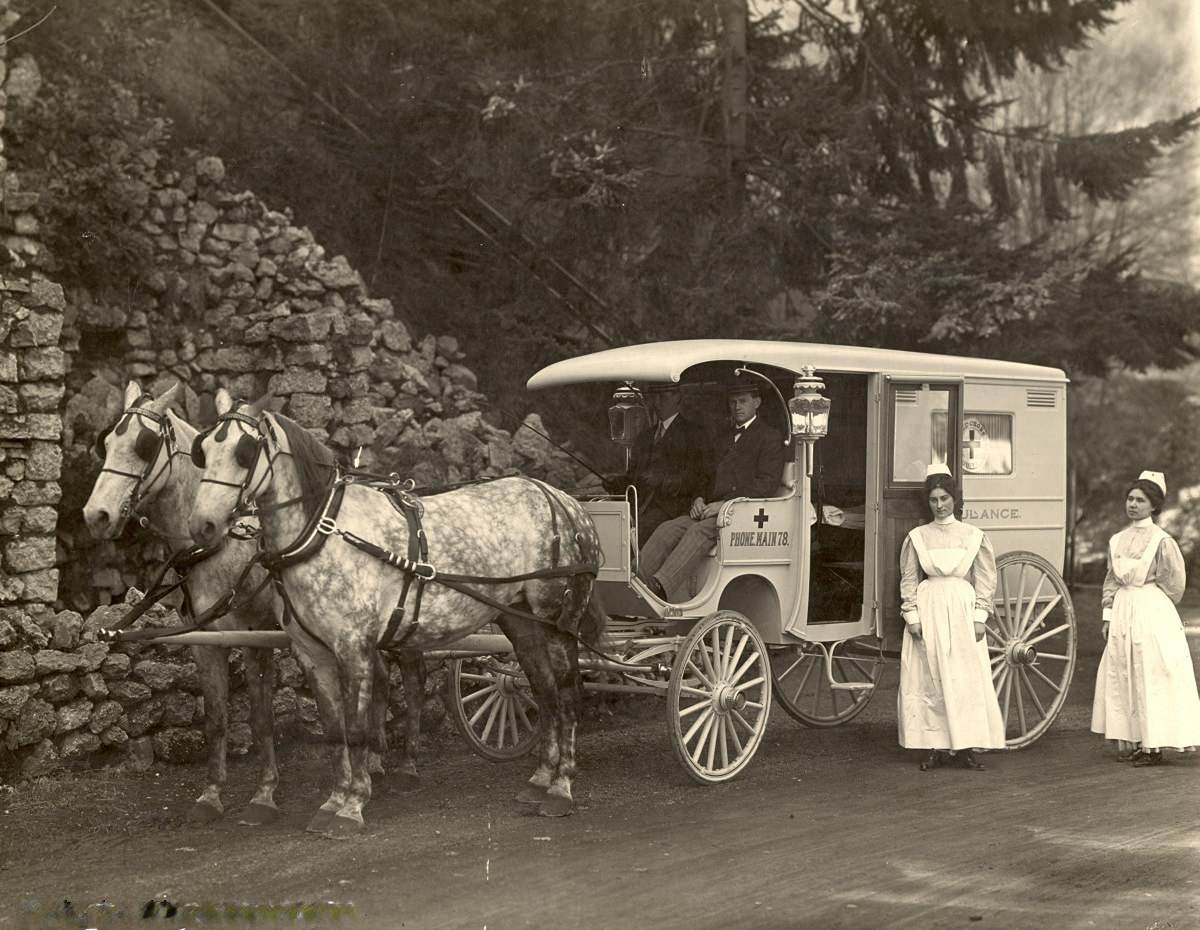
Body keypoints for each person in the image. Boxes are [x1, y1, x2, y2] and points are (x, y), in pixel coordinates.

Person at [898, 463, 1006, 771]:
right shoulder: (918, 537)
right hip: (929, 604)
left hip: (961, 607)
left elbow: (985, 578)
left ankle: (965, 746)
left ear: (955, 499)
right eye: (934, 499)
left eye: (945, 498)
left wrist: (980, 615)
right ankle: (934, 745)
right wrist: (912, 614)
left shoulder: (973, 536)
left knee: (964, 677)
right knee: (930, 676)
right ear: (928, 502)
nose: (940, 505)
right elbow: (908, 578)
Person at [638, 379, 785, 602]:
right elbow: (706, 475)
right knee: (668, 528)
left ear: (757, 402)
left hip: (741, 513)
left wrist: (723, 505)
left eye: (743, 401)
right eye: (733, 402)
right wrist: (699, 498)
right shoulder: (722, 436)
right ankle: (637, 581)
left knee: (699, 531)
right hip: (711, 509)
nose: (737, 406)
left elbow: (766, 483)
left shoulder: (769, 437)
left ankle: (660, 587)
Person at [1091, 470, 1200, 766]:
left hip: (1151, 610)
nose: (1133, 505)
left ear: (1154, 506)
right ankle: (1138, 740)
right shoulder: (1117, 540)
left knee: (1150, 672)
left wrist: (1151, 602)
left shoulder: (1162, 541)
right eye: (1130, 499)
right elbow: (1111, 580)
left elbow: (1174, 583)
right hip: (1123, 608)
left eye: (1140, 500)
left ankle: (1154, 746)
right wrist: (1108, 615)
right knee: (1125, 671)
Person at [607, 384, 709, 546]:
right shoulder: (645, 437)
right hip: (639, 506)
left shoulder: (693, 434)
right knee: (609, 525)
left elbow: (700, 476)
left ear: (677, 397)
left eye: (664, 395)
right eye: (655, 396)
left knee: (626, 538)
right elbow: (633, 476)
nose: (658, 401)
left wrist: (664, 480)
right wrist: (614, 482)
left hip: (671, 509)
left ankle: (633, 570)